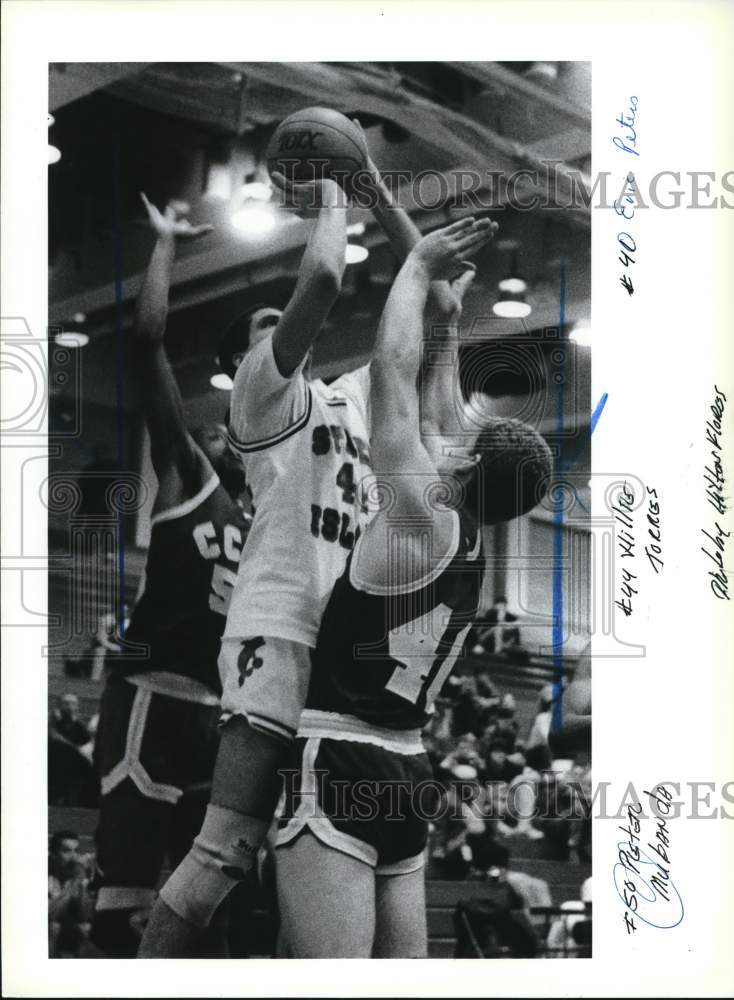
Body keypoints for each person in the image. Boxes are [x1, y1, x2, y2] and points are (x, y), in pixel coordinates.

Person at [137, 126, 475, 956]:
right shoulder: (261, 398)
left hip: (345, 654)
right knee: (220, 857)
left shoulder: (358, 398)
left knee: (321, 874)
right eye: (265, 320)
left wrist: (375, 187)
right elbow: (322, 275)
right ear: (243, 356)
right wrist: (333, 183)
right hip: (280, 636)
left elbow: (433, 295)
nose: (283, 323)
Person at [274, 219, 552, 956]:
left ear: (467, 463)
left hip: (338, 755)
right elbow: (434, 413)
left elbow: (393, 376)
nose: (451, 433)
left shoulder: (423, 515)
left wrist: (418, 263)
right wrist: (450, 323)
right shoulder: (467, 543)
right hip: (407, 768)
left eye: (465, 439)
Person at [90, 195, 251, 957]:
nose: (216, 426)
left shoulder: (265, 521)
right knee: (125, 907)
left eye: (229, 423)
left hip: (214, 717)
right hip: (151, 697)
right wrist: (165, 248)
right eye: (210, 420)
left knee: (199, 915)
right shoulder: (189, 472)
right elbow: (149, 340)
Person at [48, 830, 94, 957]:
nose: (73, 856)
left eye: (76, 851)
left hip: (68, 928)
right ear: (54, 854)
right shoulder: (48, 875)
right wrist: (74, 884)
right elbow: (51, 914)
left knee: (86, 929)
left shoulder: (76, 874)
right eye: (66, 851)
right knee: (54, 927)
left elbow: (85, 916)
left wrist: (82, 884)